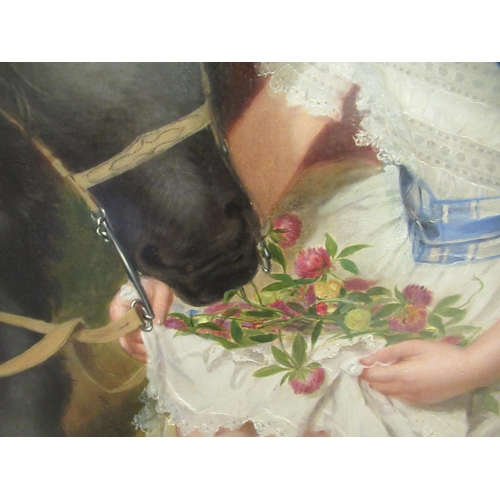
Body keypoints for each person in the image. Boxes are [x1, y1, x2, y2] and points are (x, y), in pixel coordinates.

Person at [110, 62, 500, 436]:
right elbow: (281, 138)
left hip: (485, 291)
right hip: (387, 233)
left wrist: (473, 365)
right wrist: (176, 264)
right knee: (223, 386)